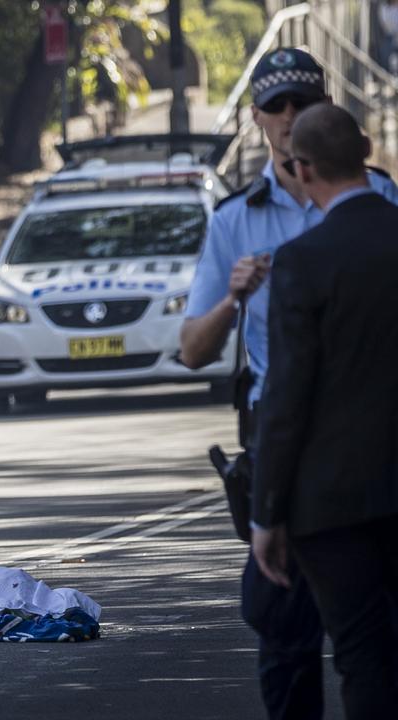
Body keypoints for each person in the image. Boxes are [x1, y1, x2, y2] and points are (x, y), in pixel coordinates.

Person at [178, 47, 398, 720]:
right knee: (287, 637)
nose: (288, 116)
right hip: (292, 453)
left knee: (375, 644)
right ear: (258, 118)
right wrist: (232, 300)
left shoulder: (381, 200)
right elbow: (192, 350)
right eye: (275, 105)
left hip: (371, 448)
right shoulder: (235, 220)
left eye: (302, 102)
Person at [251, 103, 398, 720]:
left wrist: (268, 514)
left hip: (330, 505)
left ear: (303, 170)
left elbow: (287, 396)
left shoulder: (303, 261)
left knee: (365, 655)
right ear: (365, 153)